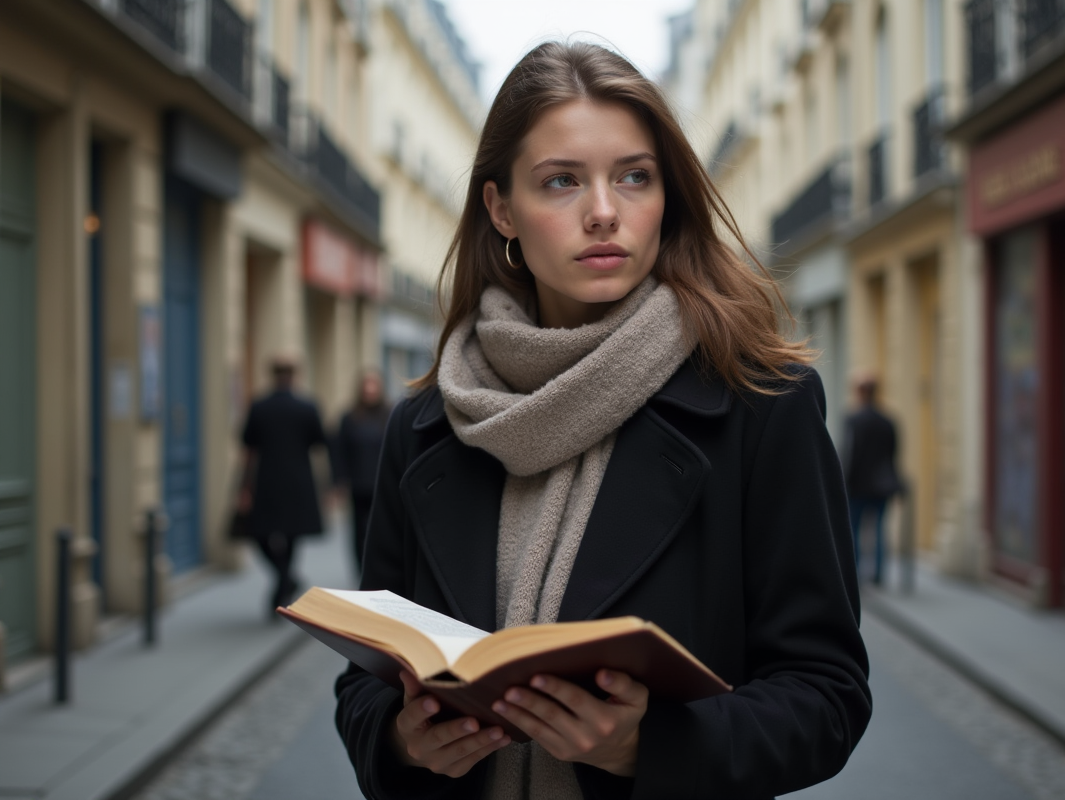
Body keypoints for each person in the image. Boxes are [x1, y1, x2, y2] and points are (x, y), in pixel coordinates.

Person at [334, 42, 870, 800]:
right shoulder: (426, 423)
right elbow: (363, 685)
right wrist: (400, 742)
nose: (604, 211)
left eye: (634, 176)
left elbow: (828, 695)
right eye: (561, 181)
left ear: (666, 196)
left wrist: (648, 746)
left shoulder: (761, 404)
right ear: (501, 209)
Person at [239, 355, 330, 615]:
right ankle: (286, 578)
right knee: (291, 536)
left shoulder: (259, 406)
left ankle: (282, 583)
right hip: (298, 480)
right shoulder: (307, 406)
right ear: (294, 376)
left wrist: (244, 487)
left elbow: (248, 447)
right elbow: (319, 442)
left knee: (259, 534)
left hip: (266, 480)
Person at [842, 373, 902, 586]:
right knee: (878, 529)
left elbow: (850, 454)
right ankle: (878, 574)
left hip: (857, 485)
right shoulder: (888, 421)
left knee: (854, 529)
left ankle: (855, 572)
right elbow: (894, 453)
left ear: (859, 392)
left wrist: (844, 482)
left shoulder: (853, 420)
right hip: (881, 485)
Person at [333, 369, 391, 572]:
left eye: (374, 385)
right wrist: (339, 481)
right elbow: (339, 451)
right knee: (358, 531)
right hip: (358, 484)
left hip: (383, 484)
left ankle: (381, 568)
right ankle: (361, 569)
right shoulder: (349, 418)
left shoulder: (390, 415)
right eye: (366, 385)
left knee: (383, 528)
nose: (370, 390)